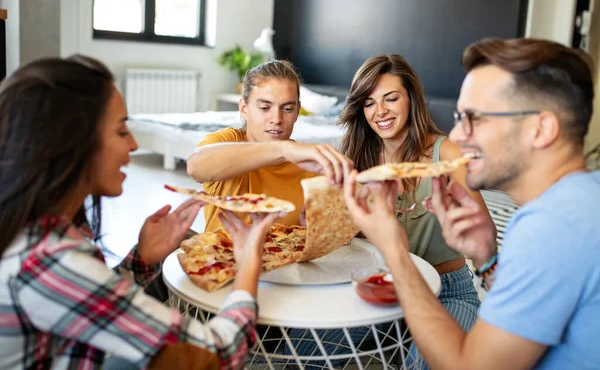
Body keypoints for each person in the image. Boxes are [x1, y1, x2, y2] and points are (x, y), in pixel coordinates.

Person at [0, 55, 286, 369]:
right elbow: (216, 355)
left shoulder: (46, 225)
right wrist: (248, 262)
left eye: (288, 107)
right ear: (72, 145)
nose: (134, 145)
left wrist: (143, 258)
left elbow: (89, 301)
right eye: (122, 132)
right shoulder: (51, 260)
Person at [344, 38, 600, 369]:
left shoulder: (553, 229)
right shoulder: (577, 203)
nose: (459, 137)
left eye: (474, 118)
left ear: (541, 129)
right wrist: (487, 257)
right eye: (459, 117)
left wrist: (393, 246)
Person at [338, 54, 491, 364]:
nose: (379, 111)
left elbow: (483, 241)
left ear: (412, 98)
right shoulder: (356, 155)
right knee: (310, 349)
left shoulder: (446, 153)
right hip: (380, 286)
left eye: (390, 99)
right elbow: (347, 235)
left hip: (447, 291)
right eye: (368, 103)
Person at [187, 59, 353, 231]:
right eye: (265, 108)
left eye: (287, 109)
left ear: (297, 111)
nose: (276, 119)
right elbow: (195, 167)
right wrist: (283, 149)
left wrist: (311, 230)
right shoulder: (226, 142)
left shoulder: (311, 166)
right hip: (223, 256)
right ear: (244, 108)